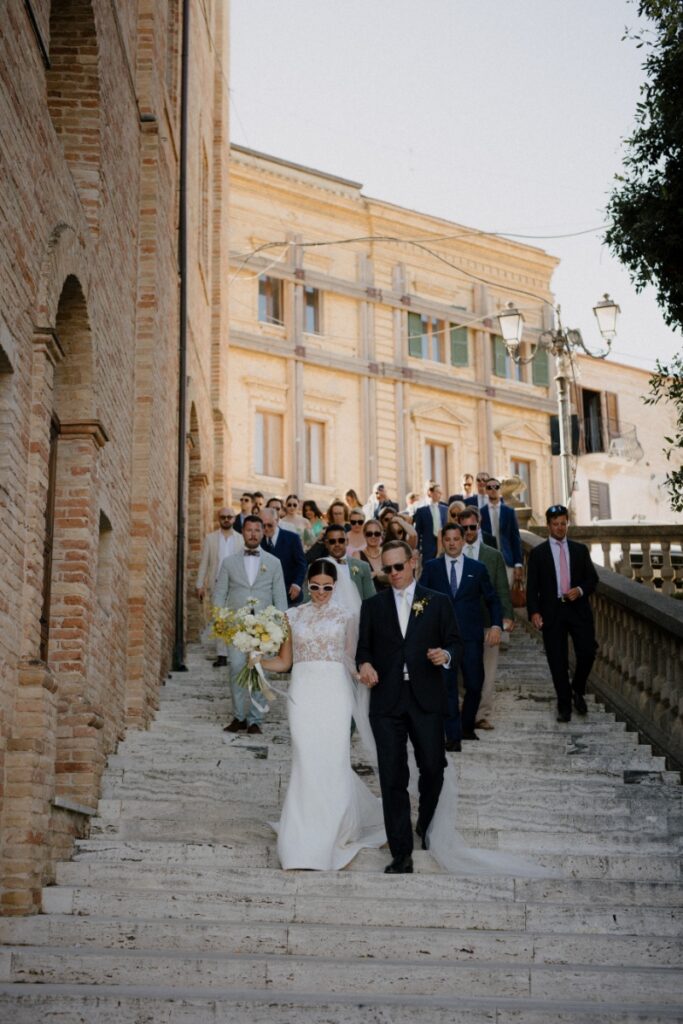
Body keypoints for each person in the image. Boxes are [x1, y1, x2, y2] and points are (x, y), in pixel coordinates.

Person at [259, 560, 386, 870]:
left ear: (335, 586)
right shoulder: (292, 616)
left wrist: (366, 673)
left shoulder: (347, 617)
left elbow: (353, 659)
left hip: (335, 694)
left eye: (326, 587)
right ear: (307, 584)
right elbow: (285, 661)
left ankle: (334, 830)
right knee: (304, 758)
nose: (320, 593)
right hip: (303, 693)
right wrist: (257, 660)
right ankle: (299, 838)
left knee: (333, 759)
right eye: (314, 586)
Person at [357, 540, 461, 874]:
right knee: (392, 776)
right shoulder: (373, 606)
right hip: (386, 702)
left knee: (433, 768)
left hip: (426, 698)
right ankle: (401, 852)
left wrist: (444, 656)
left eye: (398, 567)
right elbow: (363, 650)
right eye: (386, 570)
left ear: (413, 562)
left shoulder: (438, 602)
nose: (393, 574)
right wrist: (366, 666)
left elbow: (455, 643)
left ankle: (424, 823)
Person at [420, 524, 502, 748]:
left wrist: (496, 625)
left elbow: (493, 599)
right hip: (442, 638)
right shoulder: (431, 567)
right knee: (447, 686)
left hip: (471, 637)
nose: (452, 543)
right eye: (448, 539)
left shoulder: (478, 568)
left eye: (456, 539)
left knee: (475, 684)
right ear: (442, 541)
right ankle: (453, 736)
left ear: (463, 540)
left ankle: (467, 727)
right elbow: (420, 600)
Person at [213, 515, 288, 735]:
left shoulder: (274, 563)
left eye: (258, 530)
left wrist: (280, 627)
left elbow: (280, 597)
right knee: (236, 667)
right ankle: (239, 717)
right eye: (249, 530)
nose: (253, 534)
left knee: (260, 670)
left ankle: (256, 719)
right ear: (242, 532)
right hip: (236, 627)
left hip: (265, 628)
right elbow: (219, 594)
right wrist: (222, 621)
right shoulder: (228, 562)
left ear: (263, 533)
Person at [526, 504, 599, 723]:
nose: (560, 528)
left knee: (588, 652)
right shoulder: (538, 554)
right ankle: (564, 704)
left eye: (563, 523)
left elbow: (593, 579)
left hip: (578, 609)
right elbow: (532, 587)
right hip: (552, 610)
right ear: (548, 526)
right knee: (557, 660)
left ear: (567, 523)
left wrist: (580, 590)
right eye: (555, 524)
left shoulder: (579, 550)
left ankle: (577, 688)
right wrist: (534, 612)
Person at [457, 507, 513, 730]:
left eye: (472, 527)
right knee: (461, 669)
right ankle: (463, 709)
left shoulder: (493, 555)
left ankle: (481, 714)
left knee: (488, 670)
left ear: (479, 526)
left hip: (488, 622)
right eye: (465, 527)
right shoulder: (452, 553)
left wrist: (504, 619)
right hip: (460, 622)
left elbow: (501, 588)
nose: (469, 531)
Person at [196, 506, 244, 666]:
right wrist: (199, 584)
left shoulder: (241, 539)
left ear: (234, 519)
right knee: (219, 619)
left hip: (236, 584)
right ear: (219, 519)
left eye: (229, 517)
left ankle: (235, 653)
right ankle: (221, 655)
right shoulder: (210, 539)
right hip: (216, 583)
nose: (226, 519)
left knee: (235, 619)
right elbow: (204, 562)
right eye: (223, 517)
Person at [311, 525, 375, 603]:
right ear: (326, 544)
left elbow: (371, 599)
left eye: (341, 540)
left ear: (347, 541)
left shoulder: (362, 566)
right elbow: (308, 599)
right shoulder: (315, 567)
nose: (337, 544)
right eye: (332, 541)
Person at [260, 508, 307, 607]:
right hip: (267, 598)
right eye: (263, 526)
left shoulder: (292, 538)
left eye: (269, 525)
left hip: (290, 595)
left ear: (277, 521)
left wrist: (297, 584)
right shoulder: (260, 541)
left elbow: (302, 564)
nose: (266, 529)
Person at [480, 478, 523, 585]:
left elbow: (515, 538)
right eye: (490, 487)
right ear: (486, 490)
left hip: (507, 561)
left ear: (500, 489)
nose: (493, 489)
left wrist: (518, 564)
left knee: (507, 596)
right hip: (487, 561)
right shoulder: (481, 512)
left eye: (496, 487)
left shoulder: (509, 512)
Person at [413, 481, 448, 563]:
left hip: (444, 545)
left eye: (441, 492)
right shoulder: (421, 511)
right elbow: (417, 532)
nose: (440, 495)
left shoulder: (445, 509)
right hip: (428, 547)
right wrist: (416, 549)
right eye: (438, 492)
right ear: (430, 493)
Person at [358, 519, 388, 589]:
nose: (373, 536)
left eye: (377, 534)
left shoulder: (387, 552)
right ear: (364, 535)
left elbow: (396, 576)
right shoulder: (357, 555)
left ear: (381, 534)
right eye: (369, 534)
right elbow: (356, 579)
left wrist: (377, 573)